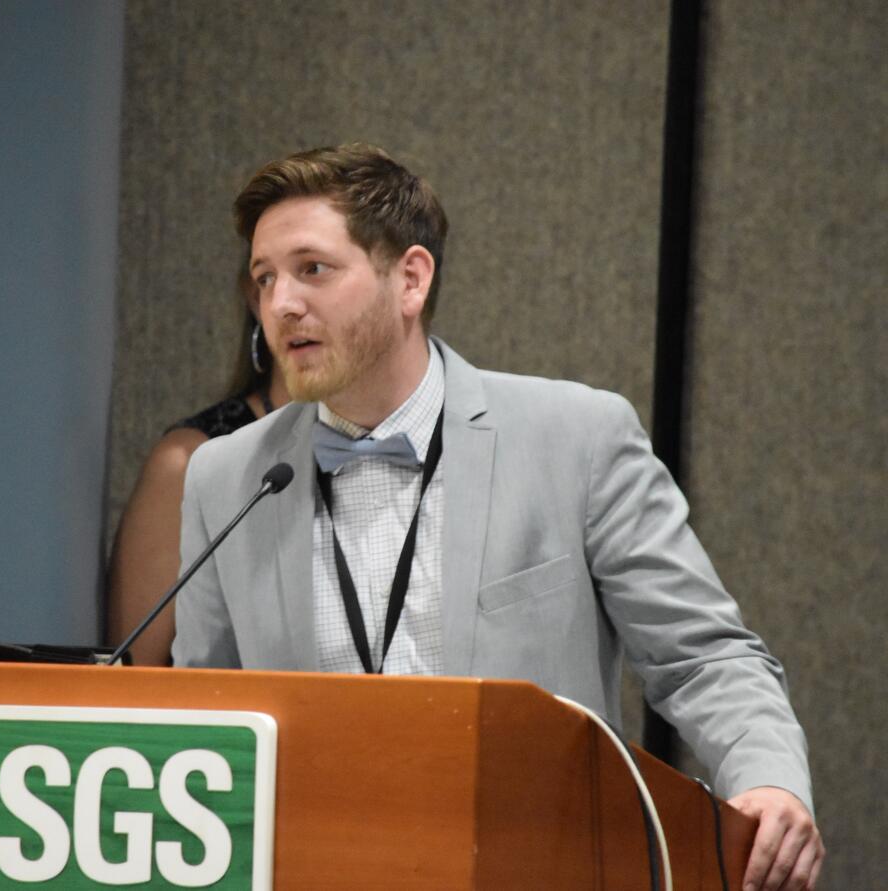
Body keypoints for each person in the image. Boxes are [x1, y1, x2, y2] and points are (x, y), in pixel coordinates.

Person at [171, 144, 823, 890]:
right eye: (264, 278)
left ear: (410, 279)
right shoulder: (226, 476)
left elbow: (704, 656)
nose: (280, 303)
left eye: (312, 269)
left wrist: (770, 779)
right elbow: (205, 717)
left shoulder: (575, 437)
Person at [107, 267, 289, 666]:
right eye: (269, 277)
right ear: (252, 297)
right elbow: (135, 681)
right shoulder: (189, 463)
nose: (292, 301)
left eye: (316, 271)